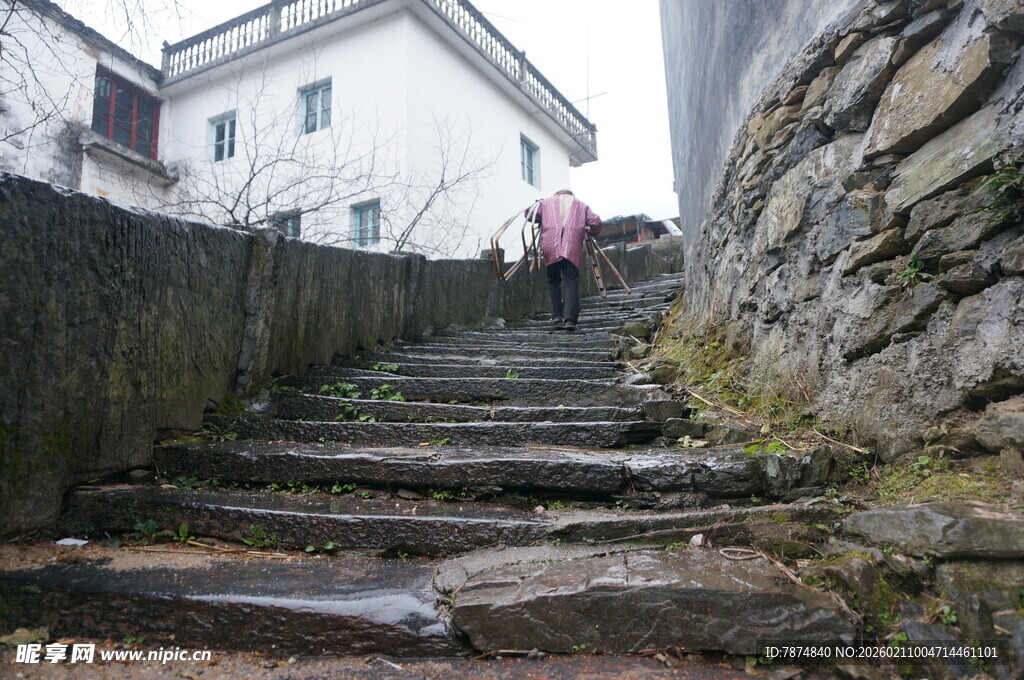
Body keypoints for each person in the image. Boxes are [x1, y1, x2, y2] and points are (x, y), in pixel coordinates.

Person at [525, 188, 602, 331]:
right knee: (570, 280)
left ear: (557, 194)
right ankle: (570, 320)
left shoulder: (545, 203)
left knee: (553, 280)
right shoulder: (581, 205)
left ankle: (556, 316)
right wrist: (590, 231)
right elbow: (596, 222)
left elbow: (529, 214)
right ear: (570, 194)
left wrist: (538, 206)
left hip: (550, 244)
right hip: (571, 243)